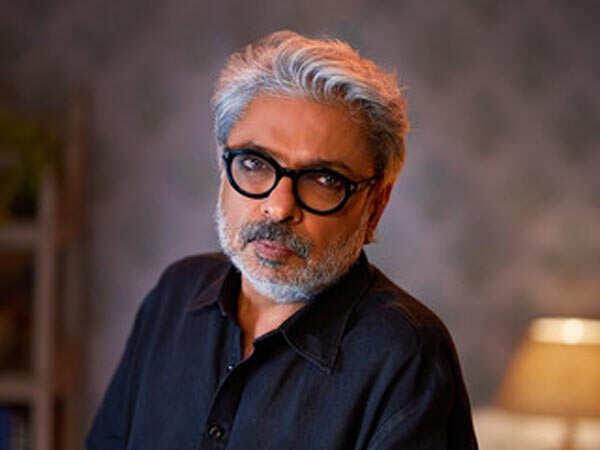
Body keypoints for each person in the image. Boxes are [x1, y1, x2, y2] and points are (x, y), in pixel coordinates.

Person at [86, 31, 478, 450]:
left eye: (324, 180)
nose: (279, 207)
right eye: (254, 163)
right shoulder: (175, 295)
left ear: (375, 205)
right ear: (223, 167)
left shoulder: (406, 354)